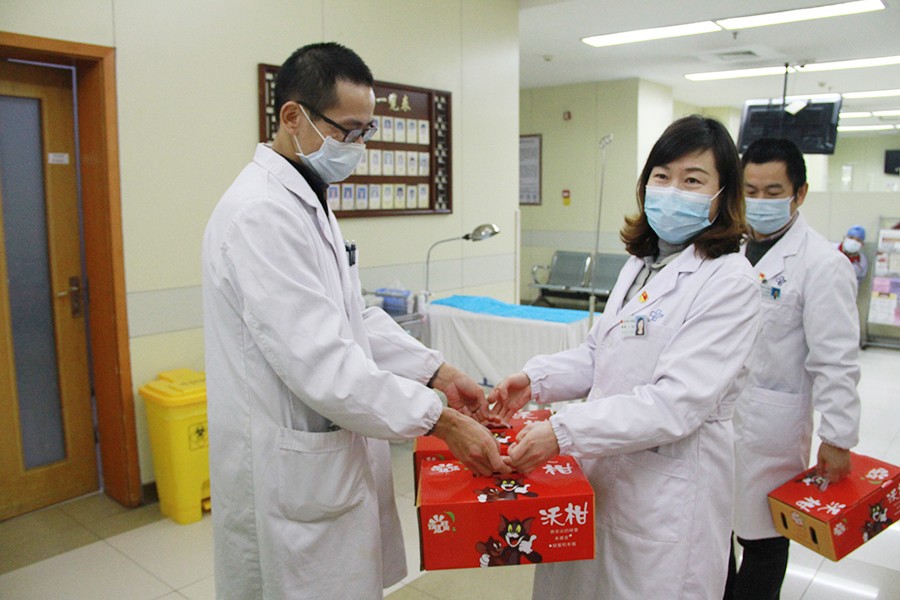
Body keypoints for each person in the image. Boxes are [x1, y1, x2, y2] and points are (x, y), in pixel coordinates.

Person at [201, 42, 508, 600]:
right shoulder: (260, 214)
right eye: (347, 131)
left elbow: (349, 317)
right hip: (286, 470)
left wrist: (436, 372)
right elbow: (322, 362)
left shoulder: (307, 199)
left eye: (366, 132)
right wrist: (439, 420)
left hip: (325, 460)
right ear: (292, 116)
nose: (357, 148)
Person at [488, 115, 760, 600]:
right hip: (606, 470)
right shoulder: (641, 263)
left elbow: (675, 404)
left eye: (692, 180)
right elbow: (600, 353)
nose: (672, 190)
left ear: (723, 196)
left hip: (667, 489)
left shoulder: (729, 281)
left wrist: (563, 431)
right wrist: (535, 380)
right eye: (662, 176)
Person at [726, 138, 861, 600]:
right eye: (750, 191)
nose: (759, 201)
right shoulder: (728, 250)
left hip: (772, 427)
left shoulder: (823, 264)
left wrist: (838, 438)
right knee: (715, 529)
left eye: (773, 191)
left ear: (799, 194)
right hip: (717, 420)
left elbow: (836, 359)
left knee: (763, 538)